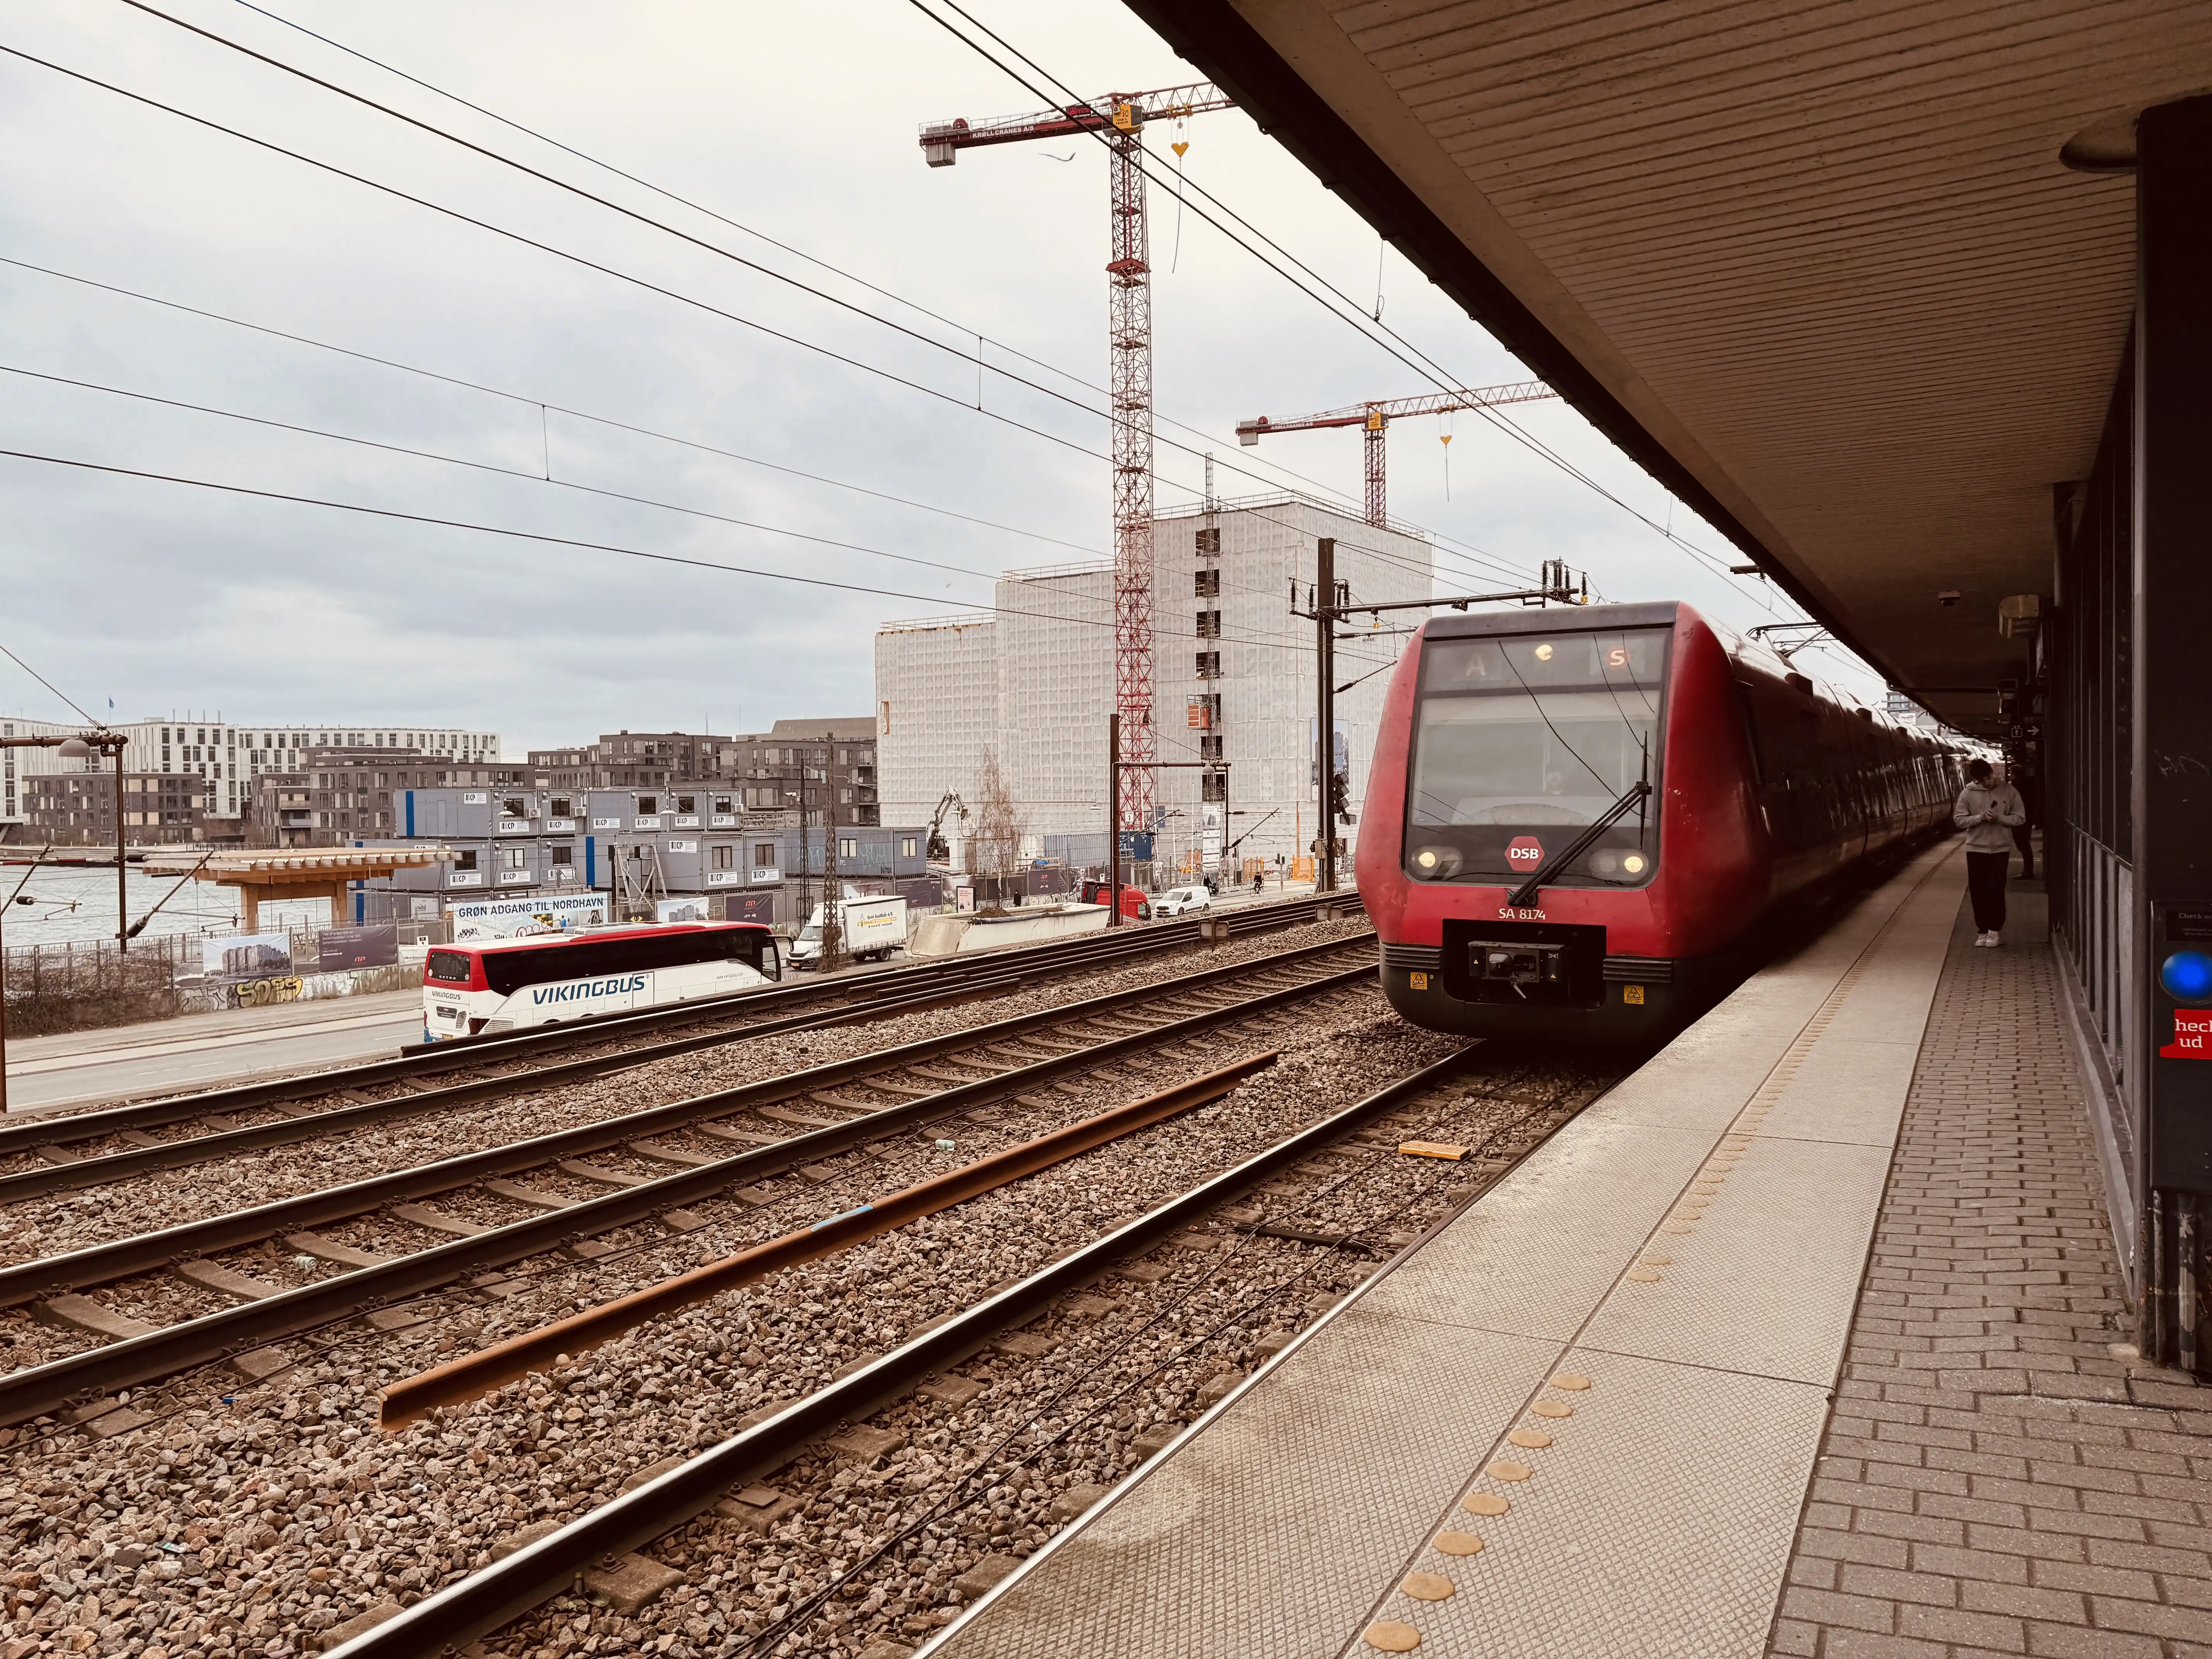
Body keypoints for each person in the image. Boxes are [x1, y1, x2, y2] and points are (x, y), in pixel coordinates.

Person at [1954, 757, 2026, 947]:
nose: (1988, 782)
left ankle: (1995, 930)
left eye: (1989, 777)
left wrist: (2000, 818)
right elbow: (1959, 820)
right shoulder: (1967, 794)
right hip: (1976, 848)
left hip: (2000, 849)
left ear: (1992, 773)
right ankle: (1982, 931)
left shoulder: (2009, 791)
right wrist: (1979, 818)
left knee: (1996, 889)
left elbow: (2020, 818)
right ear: (1976, 780)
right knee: (1978, 892)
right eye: (1983, 780)